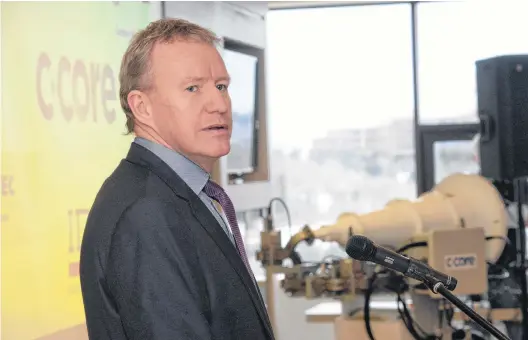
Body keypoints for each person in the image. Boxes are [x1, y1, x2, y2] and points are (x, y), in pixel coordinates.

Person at [79, 18, 273, 340]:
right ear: (141, 107)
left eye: (221, 86)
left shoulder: (184, 193)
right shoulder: (145, 213)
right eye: (193, 88)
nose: (219, 104)